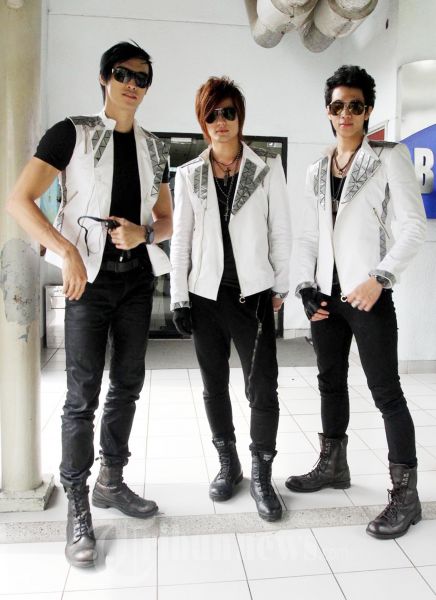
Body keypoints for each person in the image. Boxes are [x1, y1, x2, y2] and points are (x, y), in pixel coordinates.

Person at [6, 41, 172, 567]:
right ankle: (78, 505)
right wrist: (67, 250)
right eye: (123, 74)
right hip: (89, 284)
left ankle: (111, 481)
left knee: (127, 385)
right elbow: (19, 200)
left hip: (136, 282)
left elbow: (166, 220)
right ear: (104, 77)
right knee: (82, 396)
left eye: (142, 78)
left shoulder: (155, 148)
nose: (132, 85)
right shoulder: (72, 133)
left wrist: (145, 234)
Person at [286, 65, 426, 539]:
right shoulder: (316, 168)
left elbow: (413, 227)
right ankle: (333, 466)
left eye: (355, 105)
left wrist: (379, 278)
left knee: (386, 393)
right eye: (337, 106)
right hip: (325, 296)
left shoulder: (388, 157)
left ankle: (405, 497)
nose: (345, 113)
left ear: (368, 111)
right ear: (328, 112)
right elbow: (308, 236)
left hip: (367, 296)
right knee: (330, 383)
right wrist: (304, 287)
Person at [170, 77, 291, 522]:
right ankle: (229, 464)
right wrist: (179, 297)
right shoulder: (189, 175)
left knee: (263, 387)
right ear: (202, 122)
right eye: (212, 115)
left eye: (228, 113)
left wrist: (280, 286)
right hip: (204, 297)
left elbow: (281, 231)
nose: (221, 122)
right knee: (214, 385)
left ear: (240, 117)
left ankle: (261, 474)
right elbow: (180, 240)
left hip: (252, 296)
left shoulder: (266, 169)